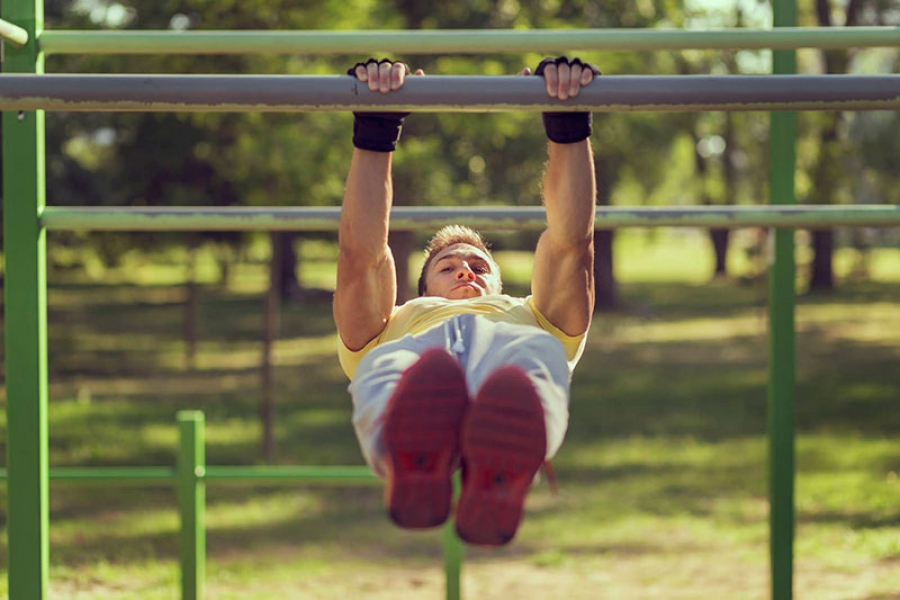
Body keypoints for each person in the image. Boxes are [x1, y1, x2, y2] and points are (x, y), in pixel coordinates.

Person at [333, 56, 598, 547]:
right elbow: (362, 256)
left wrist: (568, 125)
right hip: (418, 362)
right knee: (390, 365)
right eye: (448, 265)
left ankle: (498, 475)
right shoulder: (396, 322)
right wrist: (377, 125)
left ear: (500, 286)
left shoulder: (533, 316)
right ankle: (413, 462)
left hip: (507, 362)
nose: (464, 269)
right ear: (419, 291)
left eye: (479, 267)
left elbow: (569, 243)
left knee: (536, 358)